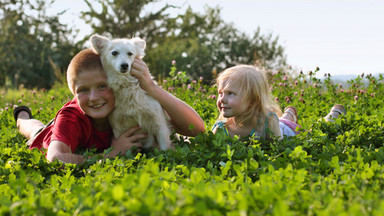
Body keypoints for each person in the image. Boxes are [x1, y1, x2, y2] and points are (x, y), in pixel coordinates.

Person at [14, 49, 204, 164]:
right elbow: (55, 158)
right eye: (83, 90)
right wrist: (110, 155)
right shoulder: (72, 116)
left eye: (102, 86)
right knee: (35, 130)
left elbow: (196, 129)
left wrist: (152, 88)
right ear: (73, 93)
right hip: (49, 135)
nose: (94, 98)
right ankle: (21, 117)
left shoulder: (131, 102)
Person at [211, 64, 346, 140]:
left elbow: (280, 150)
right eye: (220, 93)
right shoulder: (221, 128)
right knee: (284, 120)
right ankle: (289, 113)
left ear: (252, 100)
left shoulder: (268, 123)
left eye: (230, 94)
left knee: (317, 132)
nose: (222, 99)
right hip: (279, 123)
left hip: (286, 130)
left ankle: (334, 114)